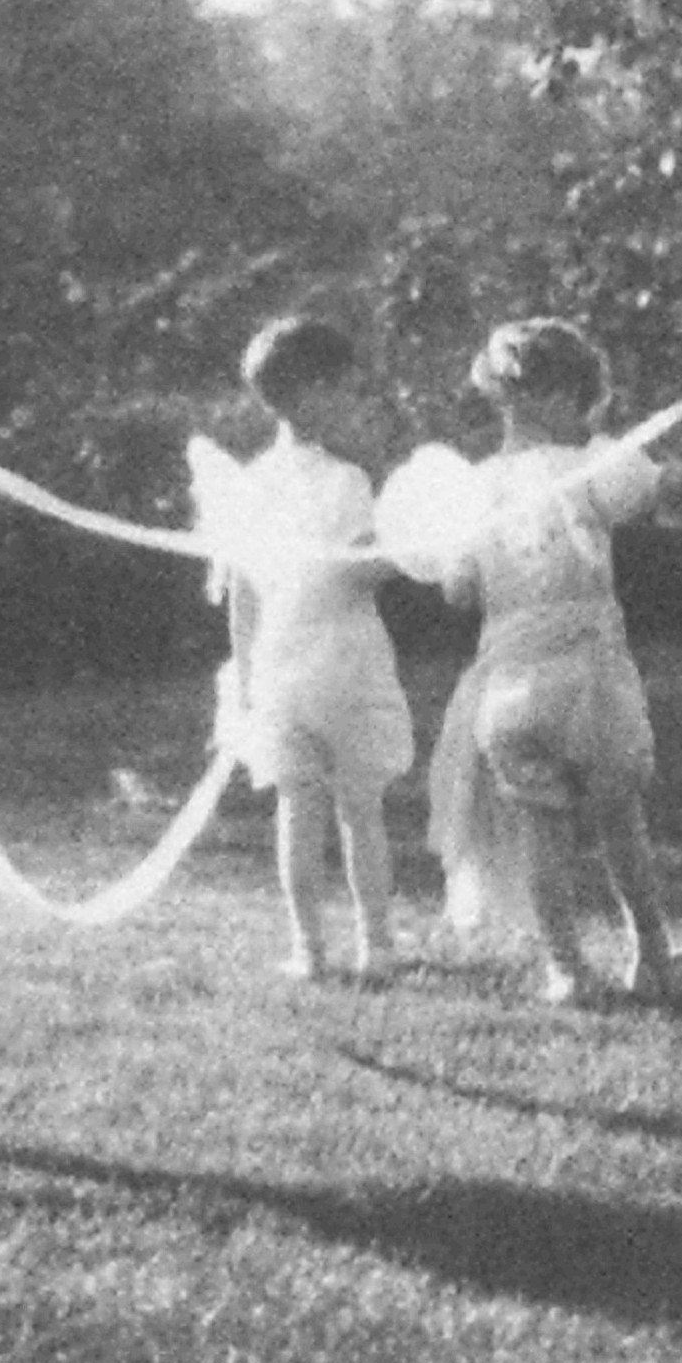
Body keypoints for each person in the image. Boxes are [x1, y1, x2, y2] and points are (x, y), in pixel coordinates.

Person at [403, 318, 682, 1003]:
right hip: (590, 681)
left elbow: (458, 591)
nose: (591, 420)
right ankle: (650, 953)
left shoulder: (474, 488)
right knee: (620, 820)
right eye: (586, 404)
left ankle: (566, 967)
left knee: (541, 830)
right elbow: (681, 485)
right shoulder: (589, 463)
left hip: (508, 689)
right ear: (557, 397)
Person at [191, 317, 416, 981]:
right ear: (315, 392)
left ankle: (309, 949)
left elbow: (243, 594)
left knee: (297, 810)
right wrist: (412, 547)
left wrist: (247, 678)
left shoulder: (250, 483)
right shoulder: (346, 481)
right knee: (361, 811)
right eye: (345, 390)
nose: (353, 404)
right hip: (344, 658)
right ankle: (377, 944)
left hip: (279, 666)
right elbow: (357, 572)